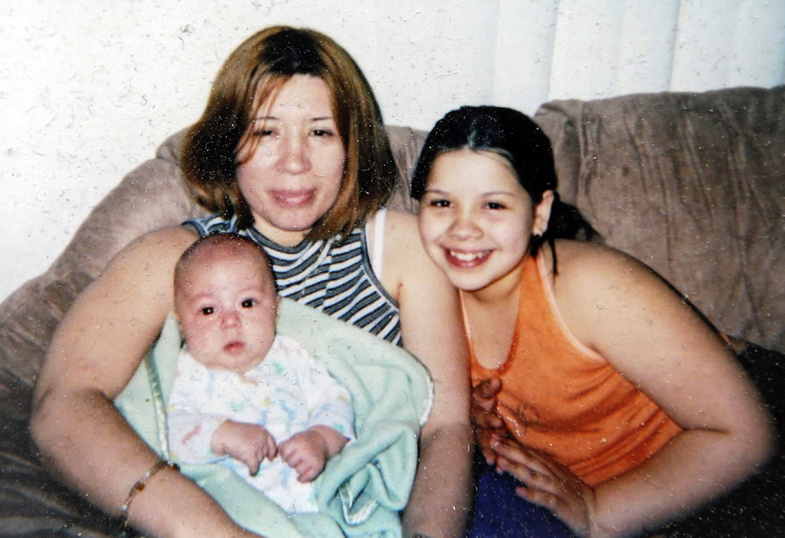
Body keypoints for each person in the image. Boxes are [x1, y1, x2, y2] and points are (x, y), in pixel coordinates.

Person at [31, 26, 471, 538]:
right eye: (266, 132)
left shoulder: (402, 250)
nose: (294, 162)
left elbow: (447, 427)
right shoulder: (173, 259)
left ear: (353, 144)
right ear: (228, 142)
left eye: (321, 132)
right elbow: (61, 407)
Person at [410, 106, 775, 537]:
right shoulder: (427, 303)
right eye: (441, 203)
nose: (462, 228)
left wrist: (599, 512)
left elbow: (746, 435)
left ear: (539, 212)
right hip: (632, 493)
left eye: (493, 205)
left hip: (746, 447)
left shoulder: (589, 287)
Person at [168, 234, 354, 514]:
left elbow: (335, 399)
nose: (230, 321)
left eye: (247, 303)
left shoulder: (292, 356)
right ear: (181, 323)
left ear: (275, 309)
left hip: (311, 508)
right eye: (208, 310)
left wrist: (320, 439)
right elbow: (162, 432)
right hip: (226, 517)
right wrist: (219, 434)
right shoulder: (183, 374)